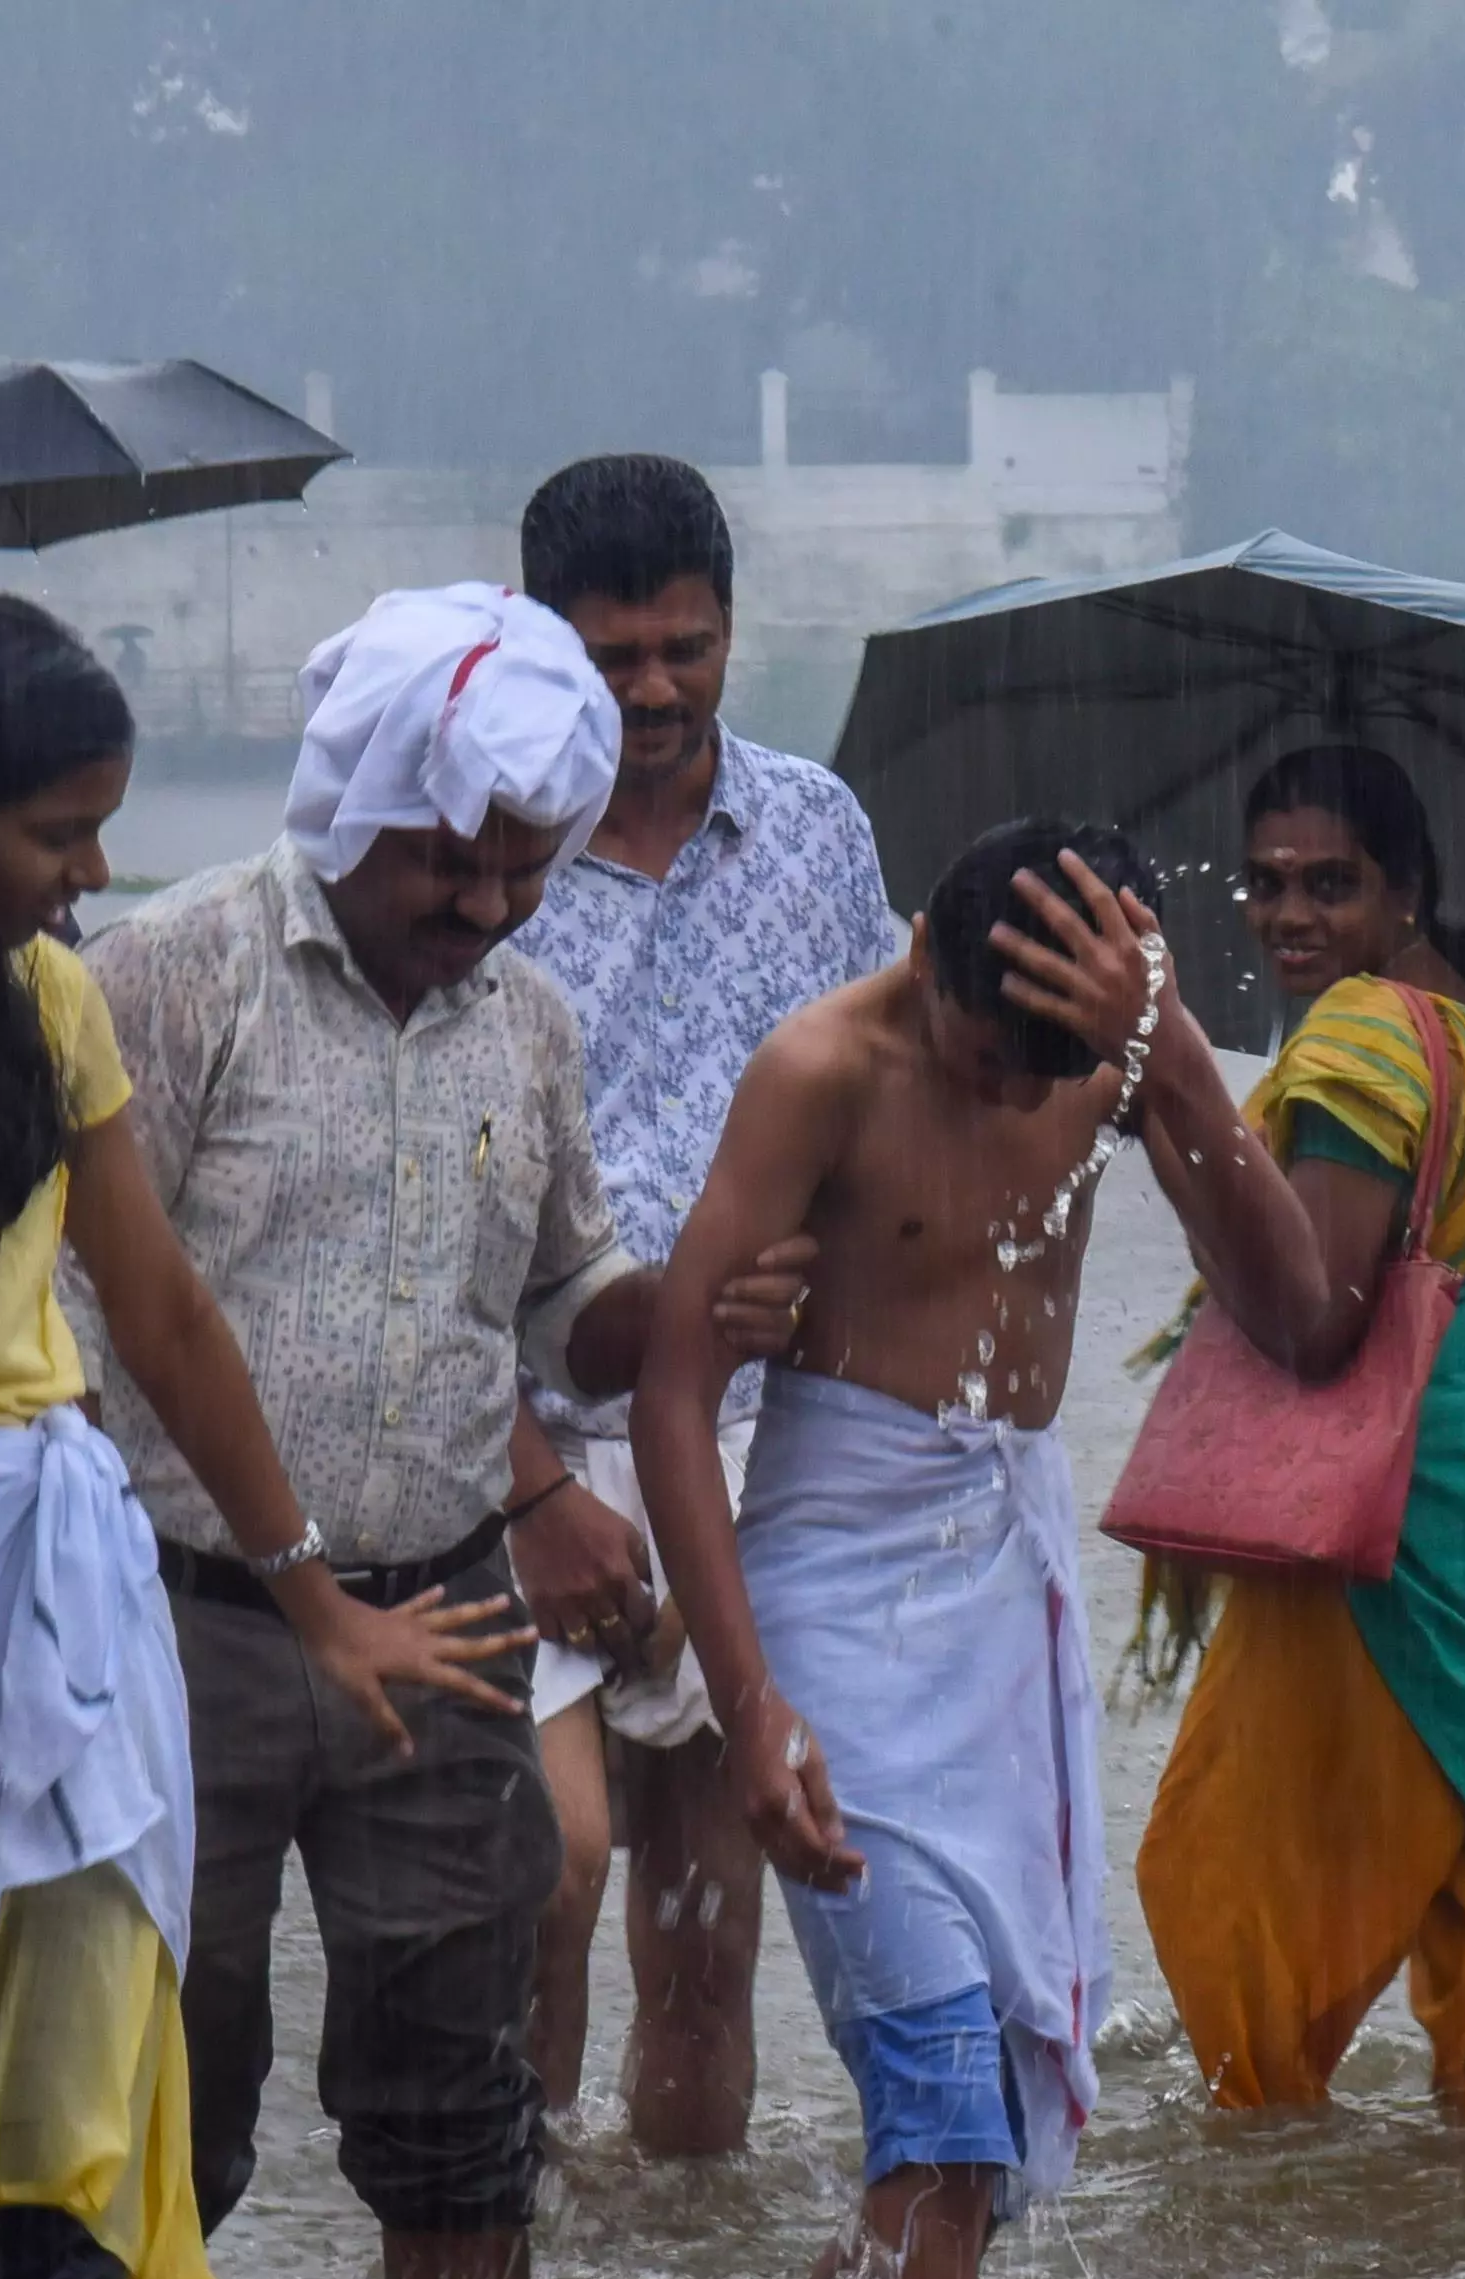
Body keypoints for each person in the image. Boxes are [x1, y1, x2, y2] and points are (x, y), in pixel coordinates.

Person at [0, 596, 528, 2279]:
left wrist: (315, 1599)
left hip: (59, 1588)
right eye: (56, 832)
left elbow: (159, 1310)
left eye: (104, 824)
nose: (94, 869)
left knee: (76, 2061)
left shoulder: (51, 994)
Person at [78, 582, 797, 2279]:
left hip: (454, 1617)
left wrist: (702, 1309)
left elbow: (568, 1310)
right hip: (194, 1624)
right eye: (449, 869)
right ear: (352, 809)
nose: (483, 908)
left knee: (462, 2096)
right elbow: (83, 1291)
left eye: (525, 870)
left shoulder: (523, 1024)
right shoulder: (173, 975)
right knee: (167, 2063)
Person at [636, 820, 1343, 2279]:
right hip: (830, 1575)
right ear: (924, 964)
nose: (1019, 1095)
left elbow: (1297, 1314)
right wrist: (749, 1704)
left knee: (974, 2134)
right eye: (984, 1057)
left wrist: (1163, 1063)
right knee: (944, 2105)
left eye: (1052, 1068)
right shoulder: (822, 1069)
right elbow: (673, 1397)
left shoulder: (1119, 1048)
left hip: (999, 1591)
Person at [1131, 747, 1465, 2123]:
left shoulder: (1367, 1031)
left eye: (1330, 882)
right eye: (1264, 882)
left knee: (1214, 1886)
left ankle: (1277, 2204)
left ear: (1406, 888)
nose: (1285, 914)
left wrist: (1173, 1091)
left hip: (1383, 1547)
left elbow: (1312, 1317)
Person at [500, 453, 904, 2158]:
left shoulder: (815, 830)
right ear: (542, 647)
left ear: (733, 632)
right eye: (610, 659)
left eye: (687, 649)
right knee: (552, 1870)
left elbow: (889, 1107)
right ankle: (484, 2264)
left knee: (704, 1942)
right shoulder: (481, 840)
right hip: (515, 1441)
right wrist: (520, 1476)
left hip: (749, 1444)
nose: (653, 690)